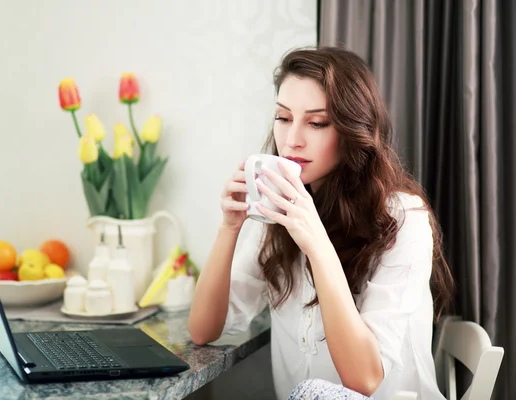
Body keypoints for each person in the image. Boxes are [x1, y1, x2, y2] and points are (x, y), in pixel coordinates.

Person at [187, 46, 455, 400]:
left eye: (317, 122)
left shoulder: (404, 220)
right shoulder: (275, 210)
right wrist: (229, 227)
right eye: (283, 118)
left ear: (352, 129)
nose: (292, 139)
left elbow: (364, 380)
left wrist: (316, 245)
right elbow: (203, 331)